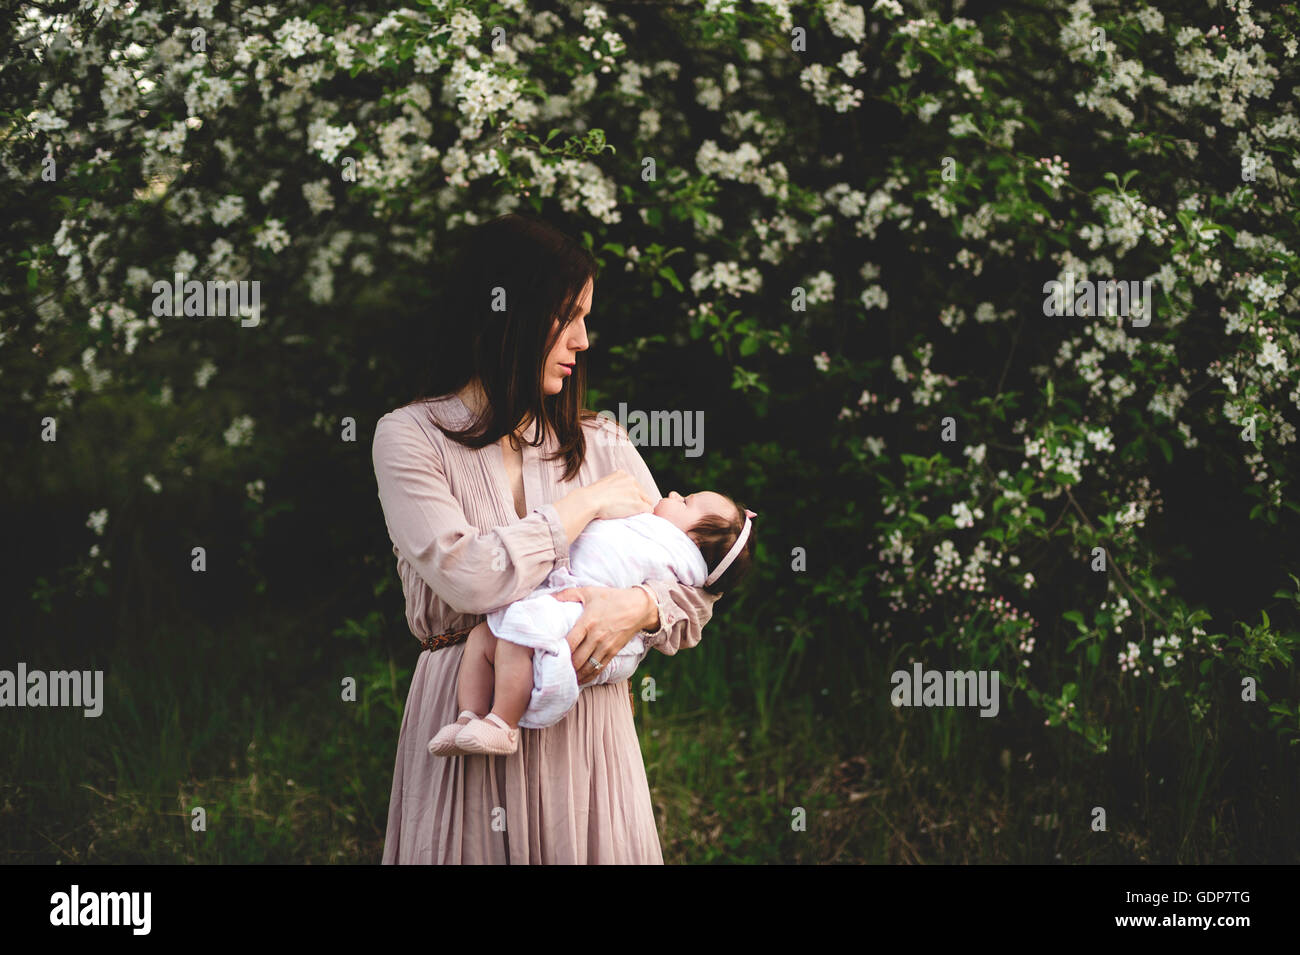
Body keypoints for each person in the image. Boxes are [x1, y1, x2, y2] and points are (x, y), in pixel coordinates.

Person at [371, 212, 721, 863]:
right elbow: (469, 575)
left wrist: (636, 607)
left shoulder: (604, 441)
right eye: (568, 315)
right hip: (467, 718)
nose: (584, 340)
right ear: (507, 312)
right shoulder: (409, 437)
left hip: (589, 734)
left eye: (587, 317)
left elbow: (690, 593)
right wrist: (583, 506)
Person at [429, 492, 757, 754]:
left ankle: (503, 723)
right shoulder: (647, 519)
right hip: (560, 594)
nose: (672, 493)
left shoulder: (672, 552)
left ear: (693, 543)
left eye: (685, 502)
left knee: (520, 637)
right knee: (481, 637)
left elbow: (697, 604)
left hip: (581, 607)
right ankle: (468, 717)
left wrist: (644, 603)